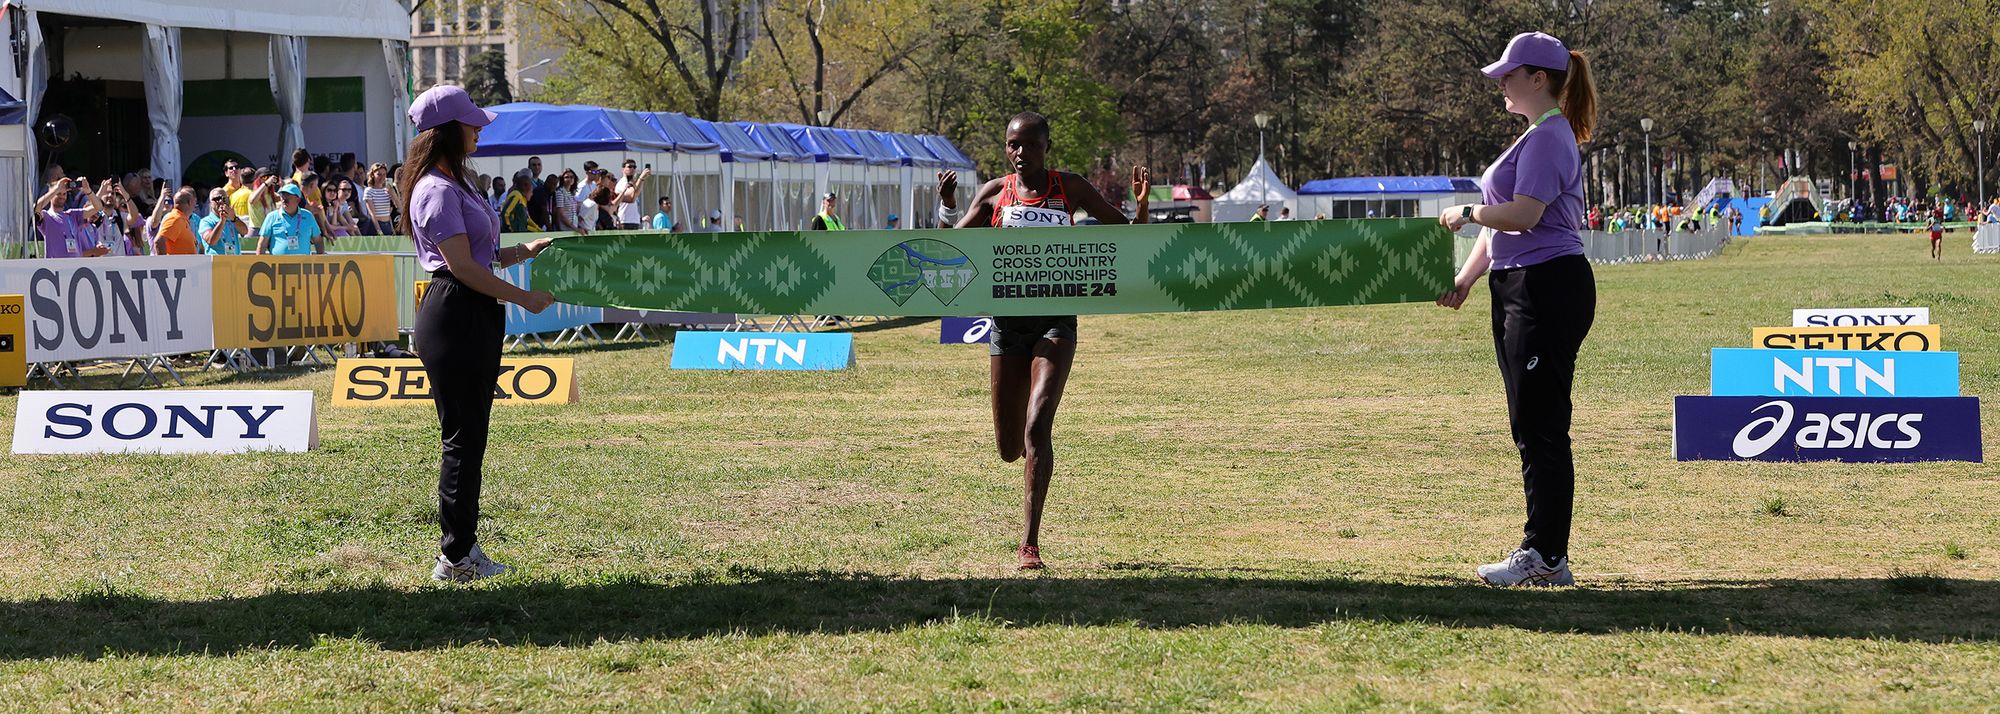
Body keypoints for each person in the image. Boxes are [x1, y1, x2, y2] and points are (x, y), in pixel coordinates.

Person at [935, 111, 1150, 570]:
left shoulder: (1067, 188)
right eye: (1012, 144)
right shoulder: (995, 192)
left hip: (1055, 323)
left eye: (1029, 145)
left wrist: (1143, 207)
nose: (1019, 153)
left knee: (1037, 427)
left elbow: (1127, 236)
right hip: (1007, 325)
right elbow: (948, 252)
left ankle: (1029, 543)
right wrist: (948, 206)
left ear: (1045, 147)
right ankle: (1022, 473)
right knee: (1010, 447)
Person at [1436, 31, 1597, 587]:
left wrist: (1469, 211)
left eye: (1509, 73)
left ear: (1539, 79)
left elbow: (1523, 214)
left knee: (1541, 425)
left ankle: (1546, 557)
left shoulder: (1550, 138)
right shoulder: (1533, 136)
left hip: (1546, 287)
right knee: (1529, 423)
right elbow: (1508, 221)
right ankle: (1544, 553)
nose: (1500, 83)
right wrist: (1466, 277)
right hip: (1520, 286)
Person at [399, 85, 557, 582]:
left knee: (471, 437)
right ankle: (455, 557)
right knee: (463, 440)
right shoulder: (436, 190)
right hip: (456, 311)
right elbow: (463, 267)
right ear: (447, 131)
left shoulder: (457, 183)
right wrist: (524, 297)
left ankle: (462, 550)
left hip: (472, 311)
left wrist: (523, 252)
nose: (480, 128)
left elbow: (483, 255)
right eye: (471, 122)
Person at [36, 176, 111, 258]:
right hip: (55, 267)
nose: (62, 196)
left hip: (75, 267)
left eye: (64, 194)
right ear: (51, 194)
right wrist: (56, 189)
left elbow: (98, 207)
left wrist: (88, 190)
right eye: (58, 194)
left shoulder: (72, 215)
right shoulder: (47, 216)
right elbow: (36, 209)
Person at [257, 183, 324, 255]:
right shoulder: (272, 217)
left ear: (298, 200)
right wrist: (260, 264)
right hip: (277, 265)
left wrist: (320, 261)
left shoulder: (308, 216)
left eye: (288, 196)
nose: (284, 199)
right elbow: (262, 244)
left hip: (303, 264)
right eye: (282, 195)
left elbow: (318, 241)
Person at [197, 187, 249, 255]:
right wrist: (222, 221)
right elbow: (211, 241)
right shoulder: (206, 221)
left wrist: (234, 218)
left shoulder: (232, 218)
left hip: (235, 262)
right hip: (216, 263)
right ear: (210, 203)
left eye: (224, 199)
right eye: (216, 199)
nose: (220, 201)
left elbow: (244, 231)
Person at [154, 186, 201, 255]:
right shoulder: (175, 218)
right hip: (177, 265)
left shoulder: (182, 219)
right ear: (189, 202)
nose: (195, 205)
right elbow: (159, 241)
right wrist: (164, 263)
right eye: (195, 201)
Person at [614, 159, 650, 229]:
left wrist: (642, 180)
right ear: (623, 169)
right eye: (629, 167)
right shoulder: (622, 183)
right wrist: (641, 178)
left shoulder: (633, 182)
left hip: (634, 221)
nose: (632, 169)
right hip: (625, 221)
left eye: (634, 167)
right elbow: (631, 198)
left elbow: (635, 194)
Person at [362, 163, 396, 235]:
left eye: (384, 174)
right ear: (373, 175)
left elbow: (395, 208)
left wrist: (393, 193)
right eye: (379, 174)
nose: (382, 177)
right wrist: (379, 230)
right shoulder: (369, 191)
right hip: (375, 225)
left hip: (387, 224)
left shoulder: (387, 190)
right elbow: (372, 213)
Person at [552, 169, 586, 234]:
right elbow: (561, 214)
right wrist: (575, 229)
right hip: (565, 229)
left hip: (573, 227)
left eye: (571, 177)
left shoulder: (571, 193)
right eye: (566, 177)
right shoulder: (560, 192)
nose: (569, 179)